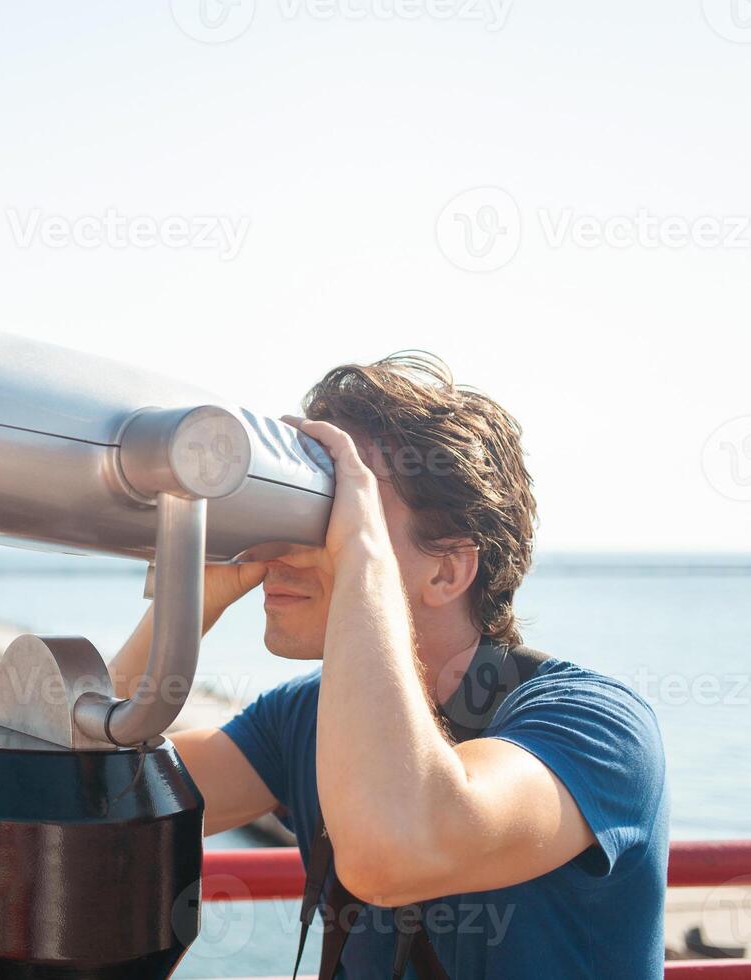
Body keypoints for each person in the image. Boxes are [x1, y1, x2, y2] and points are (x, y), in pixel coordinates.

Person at [107, 354, 668, 978]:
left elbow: (394, 851)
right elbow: (94, 797)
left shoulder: (595, 729)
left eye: (340, 510)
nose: (294, 545)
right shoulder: (305, 716)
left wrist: (360, 559)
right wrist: (192, 591)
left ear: (448, 569)